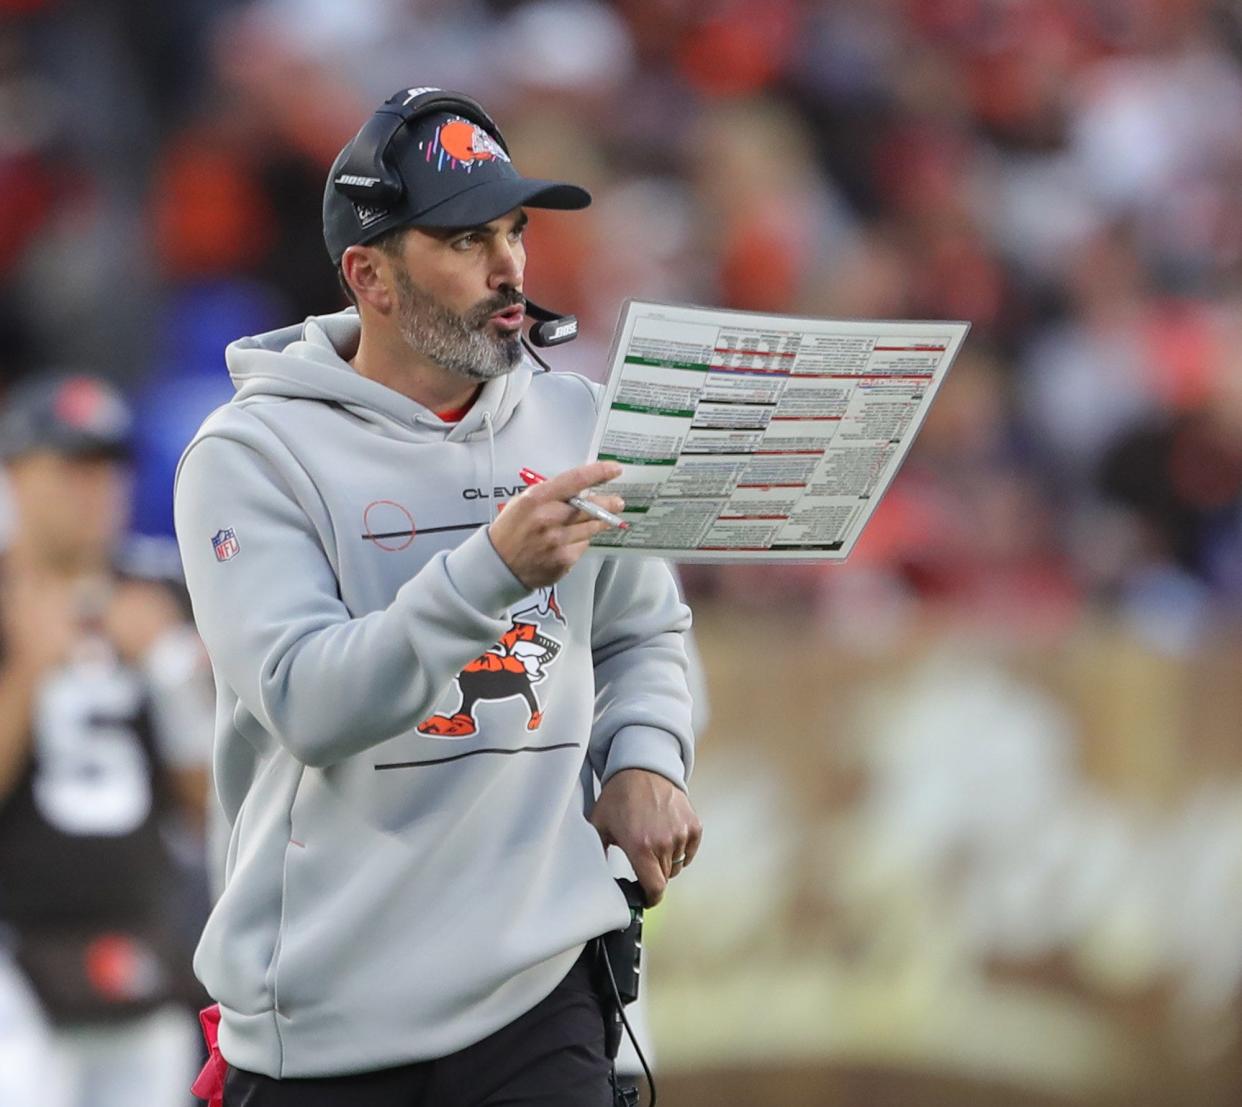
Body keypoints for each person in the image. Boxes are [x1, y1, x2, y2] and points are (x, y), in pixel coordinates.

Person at [173, 87, 703, 1106]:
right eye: (465, 240)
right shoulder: (250, 456)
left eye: (515, 230)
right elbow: (310, 705)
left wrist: (645, 759)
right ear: (369, 275)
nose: (509, 267)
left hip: (538, 980)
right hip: (327, 1013)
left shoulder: (579, 417)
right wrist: (492, 568)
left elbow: (644, 630)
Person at [0, 372, 212, 1107]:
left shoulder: (165, 596)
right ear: (14, 477)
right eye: (70, 467)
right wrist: (27, 670)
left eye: (108, 470)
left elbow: (214, 806)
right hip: (12, 954)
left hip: (143, 944)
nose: (94, 492)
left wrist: (173, 671)